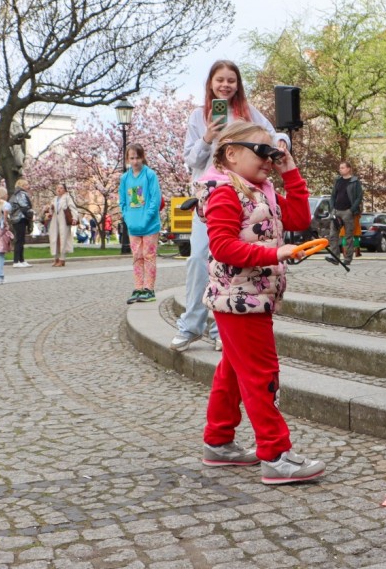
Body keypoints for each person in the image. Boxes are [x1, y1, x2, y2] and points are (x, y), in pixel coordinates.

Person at [195, 121, 325, 484]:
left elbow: (299, 217)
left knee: (234, 371)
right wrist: (274, 253)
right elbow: (223, 246)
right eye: (261, 152)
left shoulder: (261, 191)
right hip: (239, 300)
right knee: (261, 375)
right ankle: (276, 455)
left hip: (251, 297)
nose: (269, 160)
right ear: (231, 154)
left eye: (273, 153)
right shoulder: (225, 193)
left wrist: (290, 171)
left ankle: (219, 441)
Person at [171, 59, 289, 352]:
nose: (225, 85)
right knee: (199, 259)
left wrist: (283, 142)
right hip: (210, 197)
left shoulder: (248, 114)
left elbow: (273, 134)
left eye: (231, 80)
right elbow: (191, 160)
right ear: (211, 83)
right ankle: (191, 325)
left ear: (238, 85)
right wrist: (208, 137)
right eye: (220, 80)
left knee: (232, 262)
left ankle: (220, 329)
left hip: (242, 196)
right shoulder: (199, 116)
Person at [119, 143, 162, 304]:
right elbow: (123, 201)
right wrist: (128, 218)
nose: (135, 161)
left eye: (137, 157)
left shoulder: (150, 175)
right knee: (137, 257)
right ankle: (138, 288)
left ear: (142, 157)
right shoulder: (124, 178)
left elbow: (155, 199)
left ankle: (149, 289)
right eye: (132, 158)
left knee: (149, 256)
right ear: (127, 159)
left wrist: (146, 219)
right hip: (133, 226)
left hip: (150, 225)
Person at [328, 161, 363, 265]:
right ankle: (335, 257)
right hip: (336, 211)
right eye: (340, 168)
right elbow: (333, 195)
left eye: (342, 167)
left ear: (348, 169)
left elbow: (359, 197)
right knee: (332, 235)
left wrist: (351, 210)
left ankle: (347, 259)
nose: (340, 169)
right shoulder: (338, 181)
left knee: (348, 237)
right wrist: (332, 209)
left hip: (348, 212)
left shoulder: (355, 182)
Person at [47, 183, 78, 267]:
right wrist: (50, 209)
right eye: (58, 188)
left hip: (64, 220)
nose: (59, 189)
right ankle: (56, 258)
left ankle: (62, 259)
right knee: (54, 238)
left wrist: (74, 218)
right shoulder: (55, 198)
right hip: (55, 220)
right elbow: (51, 211)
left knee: (63, 238)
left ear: (64, 190)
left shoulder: (67, 198)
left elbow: (73, 208)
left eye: (61, 188)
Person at [9, 179, 34, 268]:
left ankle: (21, 260)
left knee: (20, 240)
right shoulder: (21, 194)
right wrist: (30, 215)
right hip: (20, 218)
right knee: (19, 240)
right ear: (22, 185)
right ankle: (16, 261)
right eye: (26, 185)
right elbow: (25, 207)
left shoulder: (16, 194)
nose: (28, 186)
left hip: (17, 218)